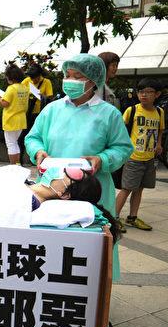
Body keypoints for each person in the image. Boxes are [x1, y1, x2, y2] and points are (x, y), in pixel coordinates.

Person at [25, 53, 133, 280]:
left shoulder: (108, 114)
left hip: (93, 189)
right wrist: (38, 151)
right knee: (52, 243)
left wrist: (102, 159)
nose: (70, 81)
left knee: (94, 245)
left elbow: (122, 147)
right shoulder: (52, 110)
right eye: (67, 75)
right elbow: (33, 137)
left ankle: (97, 301)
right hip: (54, 187)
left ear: (93, 81)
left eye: (78, 76)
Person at [115, 78, 164, 232]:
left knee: (140, 188)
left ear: (157, 94)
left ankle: (132, 217)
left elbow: (160, 129)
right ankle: (114, 218)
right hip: (133, 157)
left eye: (148, 92)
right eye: (141, 92)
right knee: (126, 188)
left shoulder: (159, 112)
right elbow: (121, 131)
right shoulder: (132, 110)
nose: (143, 95)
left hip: (149, 158)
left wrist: (159, 144)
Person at [0, 64, 29, 165]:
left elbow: (5, 103)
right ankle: (17, 164)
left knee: (11, 143)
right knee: (15, 142)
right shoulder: (25, 88)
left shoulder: (11, 88)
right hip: (21, 119)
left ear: (10, 77)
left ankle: (13, 165)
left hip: (11, 119)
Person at [19, 64, 53, 164]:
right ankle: (21, 158)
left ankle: (37, 158)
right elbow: (19, 93)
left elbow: (50, 97)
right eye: (31, 78)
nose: (33, 80)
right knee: (24, 136)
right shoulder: (26, 81)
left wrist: (39, 95)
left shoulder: (46, 82)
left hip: (40, 113)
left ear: (39, 75)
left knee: (39, 136)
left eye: (35, 78)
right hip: (28, 113)